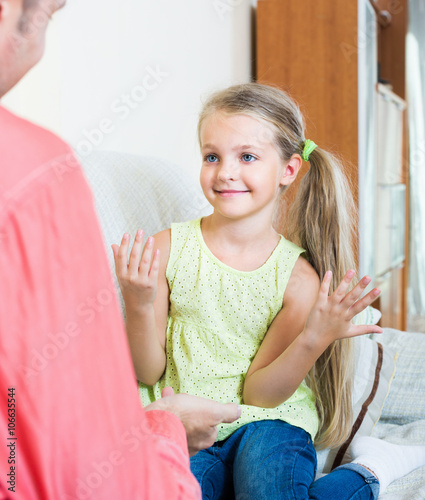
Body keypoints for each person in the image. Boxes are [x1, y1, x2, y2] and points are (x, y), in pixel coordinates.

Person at [113, 82, 425, 499]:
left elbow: (260, 394)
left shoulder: (297, 280)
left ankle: (371, 471)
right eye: (212, 156)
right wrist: (138, 301)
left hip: (270, 424)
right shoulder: (168, 249)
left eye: (247, 157)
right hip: (190, 429)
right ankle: (366, 477)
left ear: (289, 170)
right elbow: (148, 372)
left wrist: (314, 339)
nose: (225, 171)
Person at [0, 1, 241, 499]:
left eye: (246, 156)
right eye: (212, 156)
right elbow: (80, 464)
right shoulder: (38, 178)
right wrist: (164, 429)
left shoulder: (292, 268)